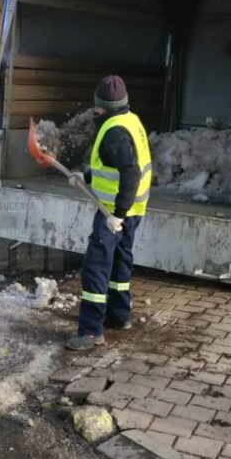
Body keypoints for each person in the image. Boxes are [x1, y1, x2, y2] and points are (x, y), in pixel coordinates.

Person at [65, 75, 152, 351]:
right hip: (133, 210)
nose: (95, 111)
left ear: (101, 106)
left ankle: (91, 332)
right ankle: (119, 315)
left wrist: (117, 214)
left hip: (114, 212)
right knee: (120, 262)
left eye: (97, 107)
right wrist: (87, 177)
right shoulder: (131, 120)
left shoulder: (113, 131)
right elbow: (113, 168)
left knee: (96, 266)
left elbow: (131, 171)